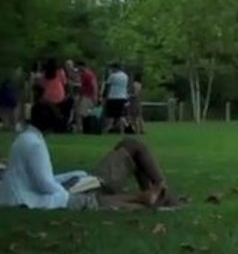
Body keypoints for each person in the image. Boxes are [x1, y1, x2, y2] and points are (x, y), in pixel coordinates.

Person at [0, 102, 176, 210]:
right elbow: (45, 184)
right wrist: (69, 186)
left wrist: (73, 176)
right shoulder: (34, 144)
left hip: (66, 188)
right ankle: (162, 194)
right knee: (132, 145)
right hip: (66, 193)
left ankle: (156, 194)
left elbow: (42, 180)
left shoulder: (25, 139)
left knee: (128, 146)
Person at [102, 63, 130, 134]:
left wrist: (105, 97)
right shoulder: (125, 76)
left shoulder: (112, 76)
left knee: (110, 115)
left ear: (115, 68)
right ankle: (121, 130)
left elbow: (108, 87)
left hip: (113, 97)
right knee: (120, 115)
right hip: (122, 97)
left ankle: (106, 129)